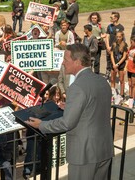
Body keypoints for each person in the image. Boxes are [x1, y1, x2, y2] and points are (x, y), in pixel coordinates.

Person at [25, 44, 114, 180]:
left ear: (77, 62)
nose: (63, 63)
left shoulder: (76, 87)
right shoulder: (102, 81)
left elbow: (67, 123)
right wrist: (71, 107)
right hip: (104, 149)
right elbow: (94, 108)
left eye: (66, 59)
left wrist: (41, 125)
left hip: (84, 154)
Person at [106, 11, 124, 79]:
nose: (110, 18)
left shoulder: (120, 27)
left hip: (116, 47)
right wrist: (108, 46)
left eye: (111, 17)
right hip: (109, 47)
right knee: (108, 60)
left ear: (116, 18)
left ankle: (119, 76)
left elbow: (120, 38)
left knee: (116, 60)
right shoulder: (109, 26)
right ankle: (107, 75)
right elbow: (107, 36)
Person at [110, 31, 127, 103]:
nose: (118, 38)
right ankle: (113, 94)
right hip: (113, 64)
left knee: (121, 80)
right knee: (112, 79)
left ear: (122, 37)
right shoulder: (114, 44)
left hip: (121, 65)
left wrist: (117, 64)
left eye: (119, 37)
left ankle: (121, 95)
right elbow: (111, 54)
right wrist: (114, 64)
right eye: (117, 37)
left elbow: (124, 56)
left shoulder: (124, 45)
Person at [127, 36, 135, 108]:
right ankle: (130, 99)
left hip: (134, 70)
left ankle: (133, 101)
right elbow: (127, 56)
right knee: (129, 84)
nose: (130, 43)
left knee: (133, 85)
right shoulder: (130, 48)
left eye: (132, 42)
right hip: (129, 69)